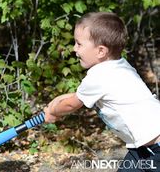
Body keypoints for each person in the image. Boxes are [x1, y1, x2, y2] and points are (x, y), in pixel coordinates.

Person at [44, 12, 160, 171]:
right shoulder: (119, 66)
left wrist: (53, 111)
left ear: (100, 51)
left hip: (155, 147)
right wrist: (58, 100)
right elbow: (79, 97)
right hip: (143, 147)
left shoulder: (98, 76)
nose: (74, 48)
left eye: (79, 44)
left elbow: (71, 105)